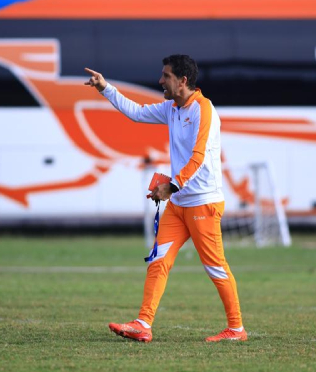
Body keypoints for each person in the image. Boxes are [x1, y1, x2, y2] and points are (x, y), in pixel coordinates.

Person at [84, 55, 246, 343]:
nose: (160, 81)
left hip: (203, 203)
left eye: (166, 76)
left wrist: (171, 186)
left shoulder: (204, 109)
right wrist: (105, 88)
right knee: (158, 260)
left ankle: (236, 329)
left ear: (182, 81)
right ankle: (143, 324)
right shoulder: (172, 108)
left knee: (215, 267)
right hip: (179, 204)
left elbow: (198, 158)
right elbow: (136, 112)